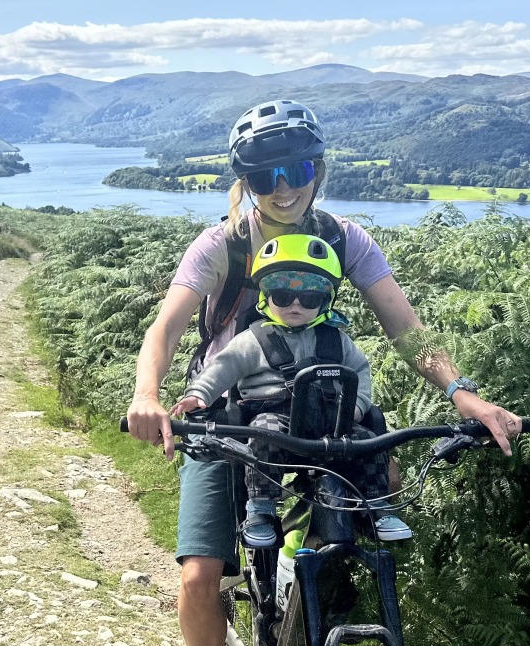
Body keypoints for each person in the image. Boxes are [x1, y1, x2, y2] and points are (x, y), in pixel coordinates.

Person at [124, 99, 523, 646]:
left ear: (321, 169)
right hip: (232, 419)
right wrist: (149, 393)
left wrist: (462, 393)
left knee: (370, 492)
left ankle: (337, 642)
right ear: (245, 181)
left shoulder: (345, 239)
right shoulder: (221, 246)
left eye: (298, 169)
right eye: (264, 177)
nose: (283, 188)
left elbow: (406, 328)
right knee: (201, 572)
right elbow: (166, 327)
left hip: (322, 414)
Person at [167, 232, 408, 548]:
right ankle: (261, 510)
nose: (296, 304)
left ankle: (377, 506)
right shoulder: (254, 340)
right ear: (267, 297)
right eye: (283, 296)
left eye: (309, 299)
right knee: (263, 435)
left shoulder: (337, 340)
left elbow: (360, 372)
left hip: (331, 421)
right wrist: (199, 394)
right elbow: (225, 367)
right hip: (275, 419)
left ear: (325, 300)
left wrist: (357, 407)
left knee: (368, 443)